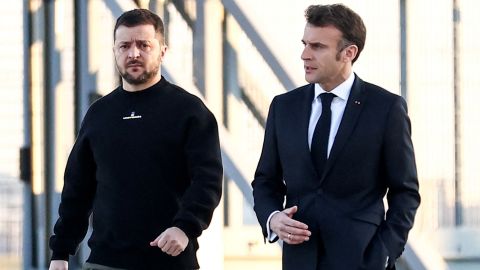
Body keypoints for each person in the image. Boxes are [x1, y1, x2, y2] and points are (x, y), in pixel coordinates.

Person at [49, 9, 223, 270]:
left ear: (162, 51)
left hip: (170, 261)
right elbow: (77, 188)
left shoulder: (190, 111)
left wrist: (185, 227)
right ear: (115, 51)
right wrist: (61, 252)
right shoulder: (99, 113)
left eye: (144, 45)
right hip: (104, 262)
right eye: (125, 45)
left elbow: (207, 181)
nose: (133, 53)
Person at [252, 4, 420, 270]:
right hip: (299, 260)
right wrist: (272, 218)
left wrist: (385, 252)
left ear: (348, 53)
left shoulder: (386, 108)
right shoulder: (284, 107)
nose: (304, 55)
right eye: (305, 44)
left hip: (363, 260)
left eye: (317, 47)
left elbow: (405, 193)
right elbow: (265, 181)